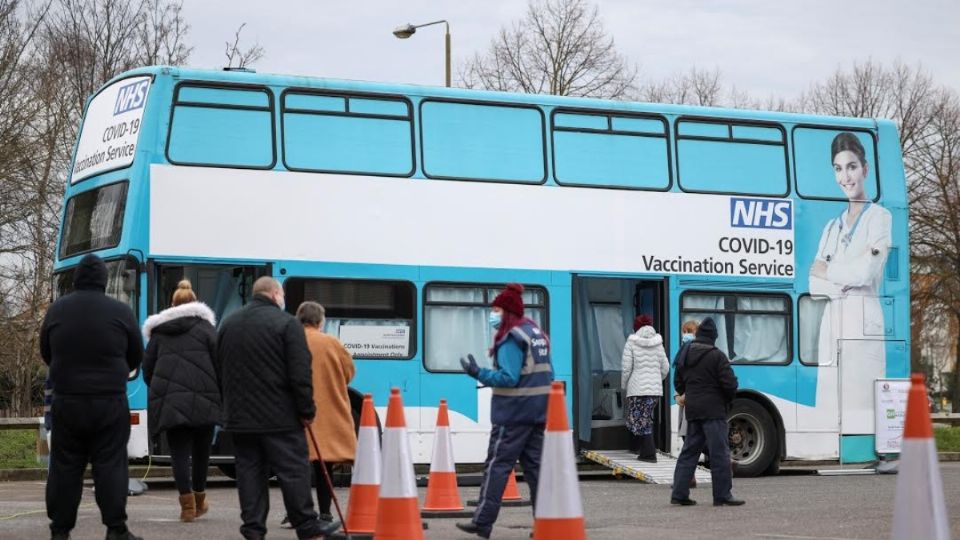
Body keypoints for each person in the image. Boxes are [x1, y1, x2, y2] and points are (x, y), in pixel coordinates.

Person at [217, 277, 339, 540]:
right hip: (280, 417)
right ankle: (307, 527)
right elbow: (299, 373)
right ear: (274, 294)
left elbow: (220, 369)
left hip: (240, 417)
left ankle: (253, 530)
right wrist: (306, 410)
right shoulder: (287, 324)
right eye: (282, 294)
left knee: (250, 474)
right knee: (293, 471)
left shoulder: (229, 324)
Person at [40, 254, 144, 540]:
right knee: (110, 464)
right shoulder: (120, 311)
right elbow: (137, 353)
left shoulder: (57, 311)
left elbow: (46, 352)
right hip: (109, 401)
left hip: (68, 400)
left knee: (65, 467)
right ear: (104, 280)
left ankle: (60, 530)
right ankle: (115, 528)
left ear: (75, 281)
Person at [456, 283, 554, 539]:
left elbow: (509, 377)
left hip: (513, 414)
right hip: (538, 413)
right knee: (536, 471)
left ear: (507, 311)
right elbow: (548, 373)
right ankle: (546, 524)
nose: (493, 314)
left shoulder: (512, 337)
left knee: (497, 466)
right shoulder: (535, 332)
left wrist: (478, 373)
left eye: (497, 309)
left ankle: (482, 521)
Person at [809, 132, 892, 367]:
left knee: (861, 401)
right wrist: (844, 281)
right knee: (828, 403)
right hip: (832, 332)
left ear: (865, 170)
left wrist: (828, 271)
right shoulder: (831, 227)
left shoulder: (879, 218)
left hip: (863, 332)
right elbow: (814, 286)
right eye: (838, 168)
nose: (845, 177)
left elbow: (866, 272)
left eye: (851, 167)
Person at [142, 280, 221, 522]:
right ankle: (199, 500)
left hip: (172, 405)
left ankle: (187, 507)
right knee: (201, 455)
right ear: (196, 303)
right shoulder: (208, 330)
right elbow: (220, 365)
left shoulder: (158, 334)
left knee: (178, 455)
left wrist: (164, 390)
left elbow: (148, 370)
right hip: (205, 402)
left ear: (172, 305)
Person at [670, 317, 743, 507]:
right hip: (714, 411)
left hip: (693, 410)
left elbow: (677, 382)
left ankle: (679, 494)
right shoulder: (717, 355)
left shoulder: (685, 353)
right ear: (713, 337)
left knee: (689, 452)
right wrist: (727, 399)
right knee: (719, 453)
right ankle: (722, 495)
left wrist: (689, 393)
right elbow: (730, 384)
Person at [296, 301, 357, 522]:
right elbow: (349, 373)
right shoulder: (332, 342)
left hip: (297, 412)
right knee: (324, 465)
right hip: (326, 412)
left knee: (297, 466)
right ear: (321, 321)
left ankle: (297, 512)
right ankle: (325, 512)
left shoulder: (292, 340)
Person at [620, 314, 669, 462]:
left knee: (639, 420)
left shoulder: (631, 342)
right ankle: (641, 450)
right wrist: (656, 380)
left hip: (637, 389)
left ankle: (649, 454)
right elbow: (665, 368)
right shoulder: (658, 343)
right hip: (654, 391)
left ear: (636, 327)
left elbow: (626, 368)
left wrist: (624, 385)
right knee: (645, 418)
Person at [674, 319, 699, 488]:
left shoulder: (688, 351)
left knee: (690, 440)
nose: (686, 334)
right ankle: (689, 477)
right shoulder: (690, 350)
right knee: (692, 440)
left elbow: (680, 376)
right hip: (689, 399)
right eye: (684, 331)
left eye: (689, 331)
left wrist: (682, 394)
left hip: (691, 401)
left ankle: (687, 478)